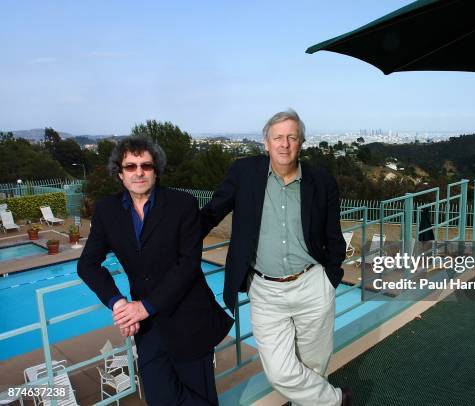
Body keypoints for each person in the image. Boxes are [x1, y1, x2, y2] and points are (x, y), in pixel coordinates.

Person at [201, 109, 351, 405]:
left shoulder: (321, 181)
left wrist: (330, 276)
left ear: (301, 143)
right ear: (266, 143)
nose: (285, 144)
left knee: (314, 365)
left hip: (312, 283)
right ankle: (336, 401)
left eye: (291, 137)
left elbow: (333, 236)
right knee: (280, 371)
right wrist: (176, 237)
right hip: (266, 290)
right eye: (278, 137)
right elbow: (211, 213)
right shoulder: (244, 173)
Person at [77, 136, 233, 405]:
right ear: (120, 173)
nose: (139, 172)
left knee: (200, 397)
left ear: (156, 170)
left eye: (146, 166)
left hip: (189, 321)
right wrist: (118, 303)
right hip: (148, 330)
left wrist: (145, 307)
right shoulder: (107, 211)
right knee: (160, 398)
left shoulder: (182, 204)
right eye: (131, 166)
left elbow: (188, 264)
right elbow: (87, 265)